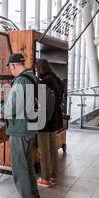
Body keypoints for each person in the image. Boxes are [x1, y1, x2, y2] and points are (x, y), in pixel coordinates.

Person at [4, 53, 40, 198]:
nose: (11, 70)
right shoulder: (32, 77)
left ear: (13, 66)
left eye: (10, 67)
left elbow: (13, 106)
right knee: (27, 163)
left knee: (19, 165)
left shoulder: (20, 81)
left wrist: (2, 112)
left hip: (19, 127)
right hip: (31, 126)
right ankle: (33, 194)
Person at [35, 59, 64, 188]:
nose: (36, 72)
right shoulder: (57, 79)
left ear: (41, 69)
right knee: (53, 148)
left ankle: (45, 178)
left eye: (37, 70)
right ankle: (53, 176)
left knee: (44, 150)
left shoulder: (45, 81)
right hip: (55, 119)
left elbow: (40, 102)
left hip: (44, 120)